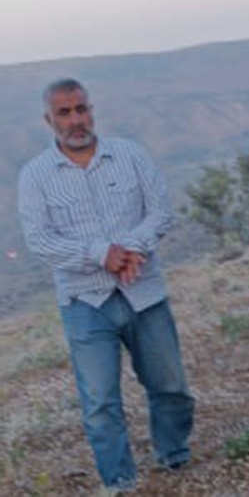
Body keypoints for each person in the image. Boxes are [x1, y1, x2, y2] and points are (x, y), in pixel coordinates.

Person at [17, 79, 194, 492]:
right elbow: (40, 241)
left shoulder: (130, 155)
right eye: (64, 113)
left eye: (81, 109)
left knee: (170, 386)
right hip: (85, 302)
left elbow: (161, 213)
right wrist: (101, 255)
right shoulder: (35, 176)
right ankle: (120, 481)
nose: (76, 120)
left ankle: (174, 456)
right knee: (99, 401)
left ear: (91, 110)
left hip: (144, 292)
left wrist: (129, 250)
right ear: (49, 120)